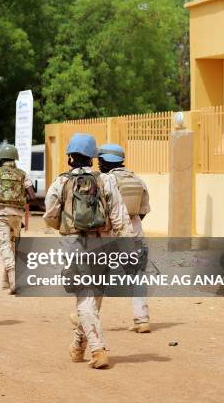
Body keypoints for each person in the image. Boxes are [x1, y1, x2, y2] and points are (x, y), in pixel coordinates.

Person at [43, 133, 134, 369]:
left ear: (70, 156)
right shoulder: (106, 180)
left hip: (74, 246)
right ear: (93, 157)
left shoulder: (60, 182)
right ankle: (77, 346)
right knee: (95, 298)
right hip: (103, 244)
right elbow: (119, 216)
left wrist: (66, 228)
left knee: (84, 298)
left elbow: (50, 215)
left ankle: (98, 350)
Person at [97, 143, 152, 333]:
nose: (98, 164)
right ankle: (142, 320)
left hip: (111, 233)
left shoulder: (104, 180)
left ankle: (85, 317)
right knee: (137, 276)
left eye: (99, 160)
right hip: (135, 231)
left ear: (104, 161)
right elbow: (143, 210)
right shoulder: (137, 179)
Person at [0, 144, 36, 294]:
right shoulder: (22, 174)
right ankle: (6, 281)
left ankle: (13, 282)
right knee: (14, 246)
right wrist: (19, 201)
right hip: (18, 215)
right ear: (15, 158)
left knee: (4, 246)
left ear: (2, 158)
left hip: (1, 215)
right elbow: (32, 196)